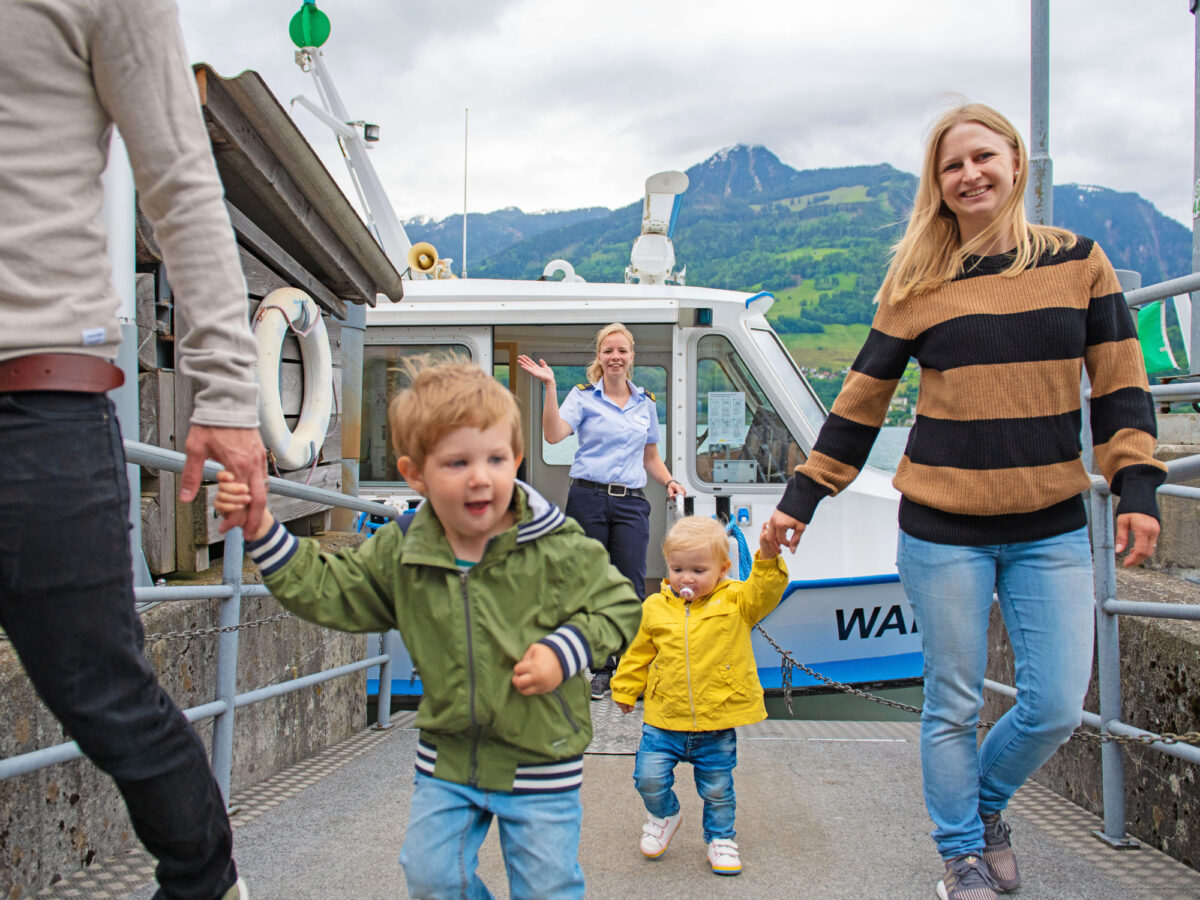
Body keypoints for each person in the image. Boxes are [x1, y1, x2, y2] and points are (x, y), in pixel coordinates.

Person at [764, 103, 1165, 900]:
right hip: (943, 527)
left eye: (983, 157)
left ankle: (979, 811)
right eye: (952, 167)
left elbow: (1121, 380)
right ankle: (961, 858)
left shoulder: (1080, 262)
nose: (970, 174)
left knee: (1054, 704)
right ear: (938, 187)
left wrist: (1136, 481)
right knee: (951, 701)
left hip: (1050, 522)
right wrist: (802, 497)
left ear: (1017, 162)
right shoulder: (918, 283)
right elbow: (861, 402)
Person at [1, 2, 269, 898]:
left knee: (102, 692)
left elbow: (179, 179)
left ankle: (206, 885)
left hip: (34, 397)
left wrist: (228, 392)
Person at [215, 360, 642, 900]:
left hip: (541, 755)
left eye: (496, 458)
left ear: (516, 458)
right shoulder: (405, 548)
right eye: (456, 462)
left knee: (547, 887)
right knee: (431, 877)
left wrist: (565, 652)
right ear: (415, 474)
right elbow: (331, 587)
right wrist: (260, 528)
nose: (480, 477)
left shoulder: (553, 544)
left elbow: (619, 606)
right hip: (449, 754)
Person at [610, 516, 788, 877]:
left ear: (723, 569)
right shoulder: (655, 608)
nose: (685, 577)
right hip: (664, 720)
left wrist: (768, 556)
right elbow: (638, 654)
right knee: (648, 778)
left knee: (718, 789)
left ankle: (721, 838)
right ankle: (665, 815)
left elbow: (765, 591)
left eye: (698, 569)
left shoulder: (737, 601)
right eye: (677, 568)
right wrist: (625, 688)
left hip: (716, 721)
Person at [518, 323, 686, 700]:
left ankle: (628, 666)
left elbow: (651, 457)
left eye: (622, 351)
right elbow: (553, 435)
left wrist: (670, 481)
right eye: (608, 351)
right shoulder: (582, 397)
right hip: (588, 498)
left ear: (631, 358)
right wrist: (549, 386)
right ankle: (600, 667)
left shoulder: (647, 403)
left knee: (630, 582)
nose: (615, 357)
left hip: (630, 501)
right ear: (599, 357)